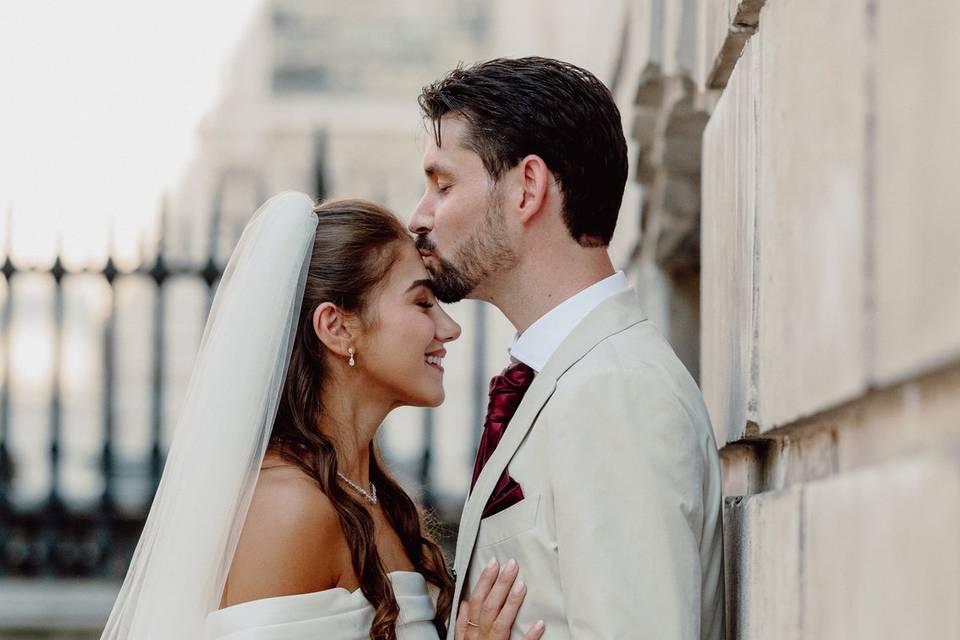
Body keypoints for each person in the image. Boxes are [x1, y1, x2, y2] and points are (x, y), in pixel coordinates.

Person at [101, 194, 545, 640]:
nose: (450, 328)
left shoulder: (382, 501)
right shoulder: (288, 511)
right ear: (336, 327)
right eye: (423, 303)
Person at [410, 57, 725, 639]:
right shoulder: (570, 376)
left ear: (527, 187)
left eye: (443, 184)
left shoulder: (616, 391)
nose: (419, 216)